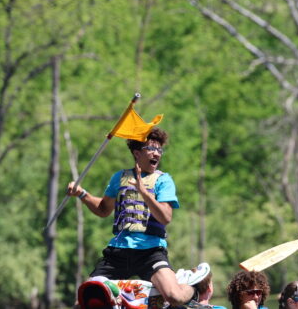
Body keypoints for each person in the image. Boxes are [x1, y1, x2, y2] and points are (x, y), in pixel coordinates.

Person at [67, 128, 200, 306]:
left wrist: (144, 192)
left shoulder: (164, 180)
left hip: (150, 252)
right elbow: (103, 209)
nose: (157, 154)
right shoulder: (119, 178)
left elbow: (166, 217)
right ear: (137, 153)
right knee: (81, 303)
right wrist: (82, 194)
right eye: (151, 149)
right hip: (118, 253)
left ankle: (193, 286)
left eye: (159, 150)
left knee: (174, 297)